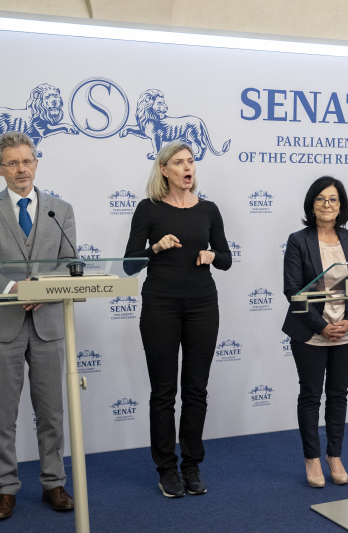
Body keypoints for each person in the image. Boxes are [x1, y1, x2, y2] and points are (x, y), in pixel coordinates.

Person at [0, 131, 76, 520]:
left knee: (52, 413)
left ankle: (54, 483)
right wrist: (12, 288)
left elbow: (69, 263)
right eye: (12, 163)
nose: (21, 169)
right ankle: (5, 490)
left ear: (36, 163)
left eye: (27, 161)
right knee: (3, 416)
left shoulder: (61, 209)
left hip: (48, 324)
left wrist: (42, 287)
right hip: (1, 325)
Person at [124, 141, 231, 498]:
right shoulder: (148, 209)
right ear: (164, 170)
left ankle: (191, 465)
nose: (188, 167)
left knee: (196, 390)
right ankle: (167, 469)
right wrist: (155, 248)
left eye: (191, 161)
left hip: (202, 305)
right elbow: (129, 264)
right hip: (161, 305)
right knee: (164, 392)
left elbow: (226, 258)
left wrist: (211, 255)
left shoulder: (209, 209)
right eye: (179, 162)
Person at [282, 176, 348, 488]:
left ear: (341, 206)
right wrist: (321, 325)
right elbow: (293, 290)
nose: (327, 204)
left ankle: (335, 455)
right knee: (311, 395)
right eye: (320, 199)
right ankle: (312, 458)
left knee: (338, 395)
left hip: (346, 331)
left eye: (333, 199)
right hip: (310, 331)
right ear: (311, 205)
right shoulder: (298, 240)